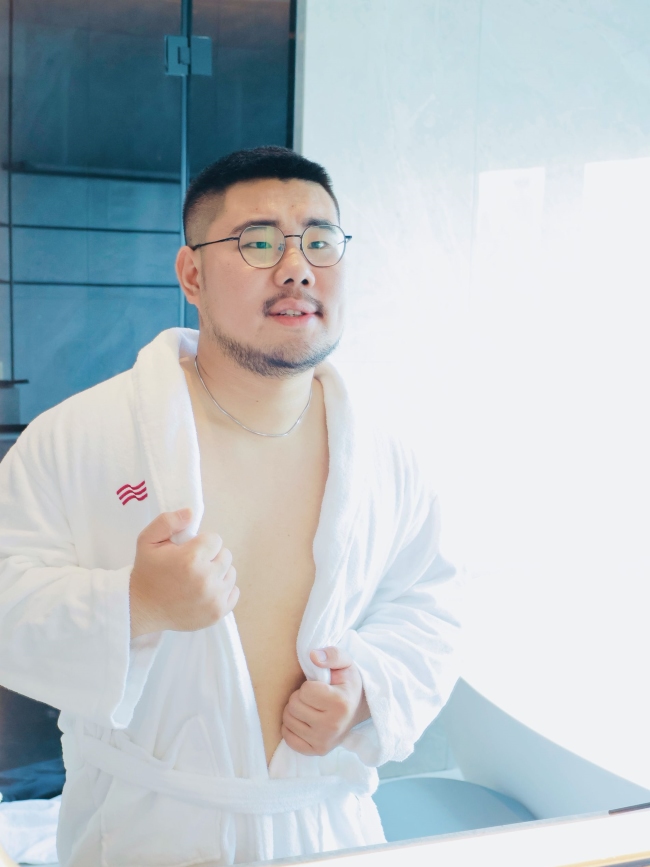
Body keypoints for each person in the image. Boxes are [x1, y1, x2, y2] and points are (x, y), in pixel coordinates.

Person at [0, 146, 461, 867]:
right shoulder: (79, 436)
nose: (297, 267)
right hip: (146, 834)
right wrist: (135, 603)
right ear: (192, 275)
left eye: (320, 240)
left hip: (324, 831)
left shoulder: (387, 456)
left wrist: (366, 691)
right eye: (259, 242)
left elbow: (429, 605)